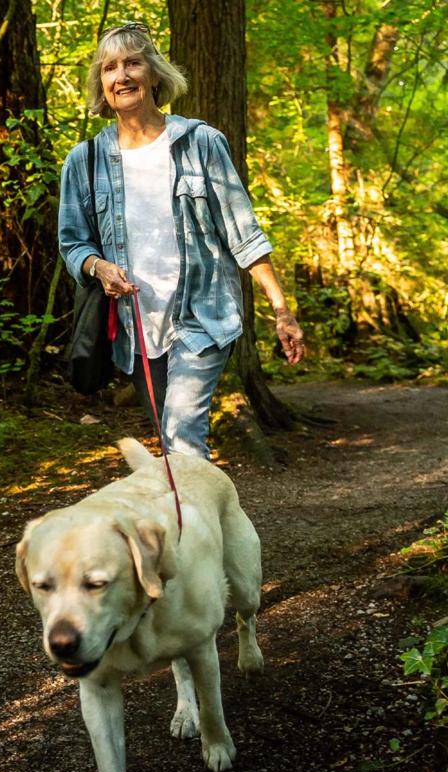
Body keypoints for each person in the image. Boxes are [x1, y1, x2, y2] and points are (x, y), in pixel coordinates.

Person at [58, 21, 305, 459]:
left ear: (154, 73)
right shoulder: (85, 161)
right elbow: (74, 243)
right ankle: (213, 525)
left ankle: (195, 528)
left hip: (203, 316)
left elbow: (243, 233)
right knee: (174, 446)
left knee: (184, 437)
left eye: (133, 62)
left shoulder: (200, 143)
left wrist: (281, 312)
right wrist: (98, 267)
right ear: (102, 83)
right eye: (110, 68)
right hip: (136, 329)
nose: (122, 76)